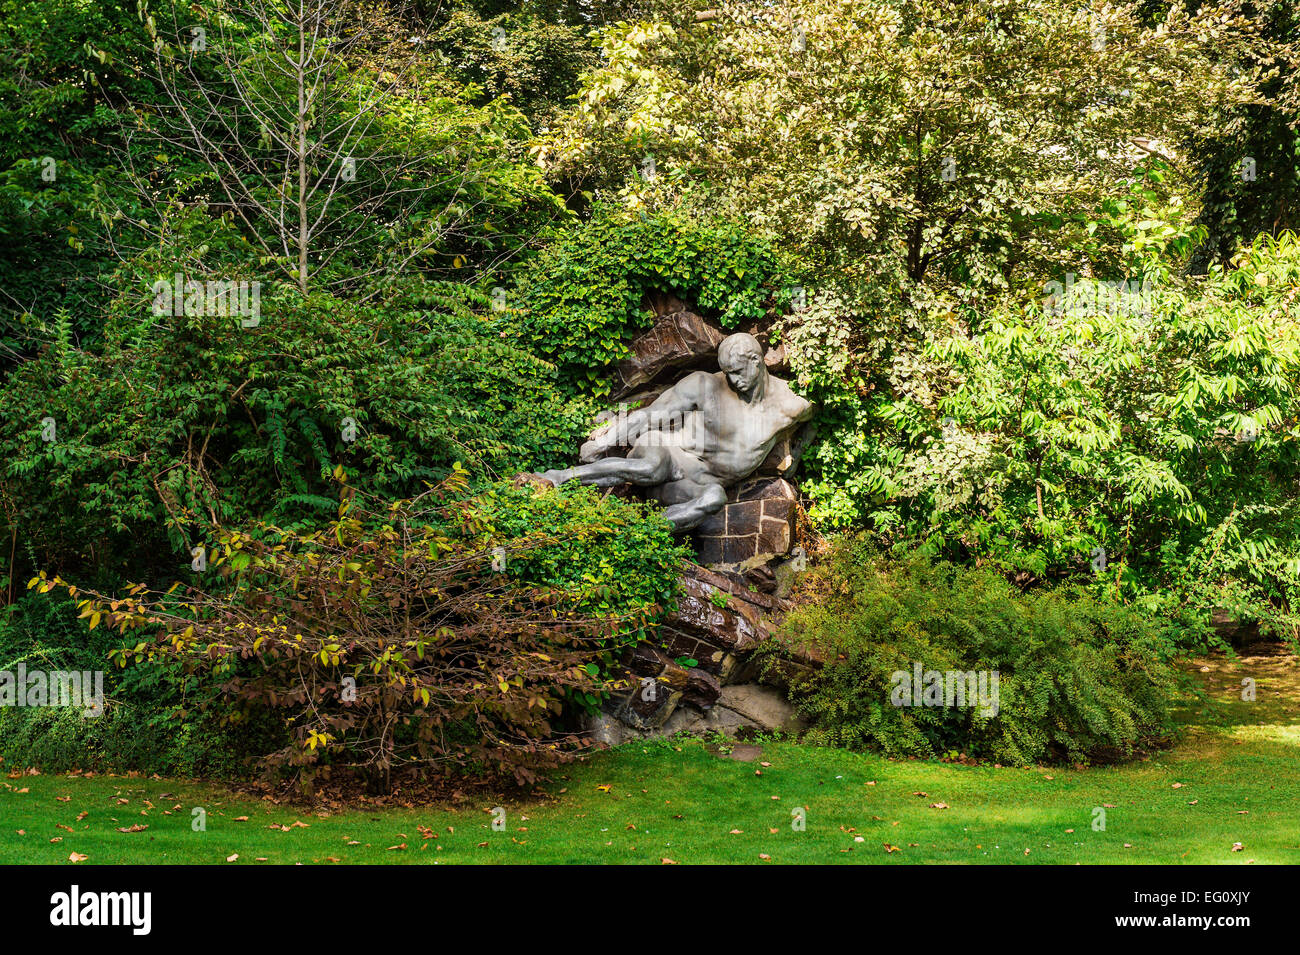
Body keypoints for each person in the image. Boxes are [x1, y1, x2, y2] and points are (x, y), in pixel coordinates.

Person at [541, 333, 814, 530]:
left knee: (715, 498)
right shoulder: (705, 385)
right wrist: (604, 443)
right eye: (727, 372)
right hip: (668, 451)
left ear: (756, 361)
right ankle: (557, 478)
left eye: (737, 372)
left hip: (693, 484)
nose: (732, 380)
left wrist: (796, 454)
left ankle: (643, 534)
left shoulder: (791, 405)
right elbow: (649, 417)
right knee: (651, 467)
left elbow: (821, 414)